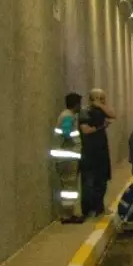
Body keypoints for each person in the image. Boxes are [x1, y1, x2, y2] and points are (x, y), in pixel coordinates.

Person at [79, 88, 116, 218]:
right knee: (89, 182)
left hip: (101, 152)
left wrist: (100, 106)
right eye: (100, 98)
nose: (103, 100)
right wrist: (102, 127)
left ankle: (99, 208)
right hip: (89, 152)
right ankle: (88, 209)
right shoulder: (85, 112)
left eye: (103, 98)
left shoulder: (101, 111)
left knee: (102, 181)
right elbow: (86, 130)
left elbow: (113, 114)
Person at [50, 93, 85, 224]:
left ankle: (68, 214)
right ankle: (68, 215)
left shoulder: (66, 115)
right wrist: (71, 142)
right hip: (67, 158)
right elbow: (66, 132)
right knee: (69, 187)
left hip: (65, 158)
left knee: (68, 187)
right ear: (75, 104)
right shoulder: (68, 116)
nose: (80, 106)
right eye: (79, 104)